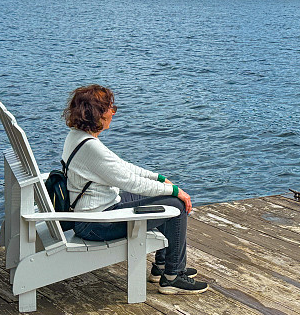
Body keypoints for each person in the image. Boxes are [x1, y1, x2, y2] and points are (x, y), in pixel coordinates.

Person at [61, 84, 208, 294]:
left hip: (92, 214)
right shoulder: (91, 148)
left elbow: (122, 167)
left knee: (159, 193)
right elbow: (130, 182)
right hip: (96, 224)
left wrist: (160, 179)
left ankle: (162, 266)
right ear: (98, 114)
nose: (113, 113)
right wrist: (175, 191)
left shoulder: (78, 137)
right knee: (175, 204)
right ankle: (173, 275)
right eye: (111, 109)